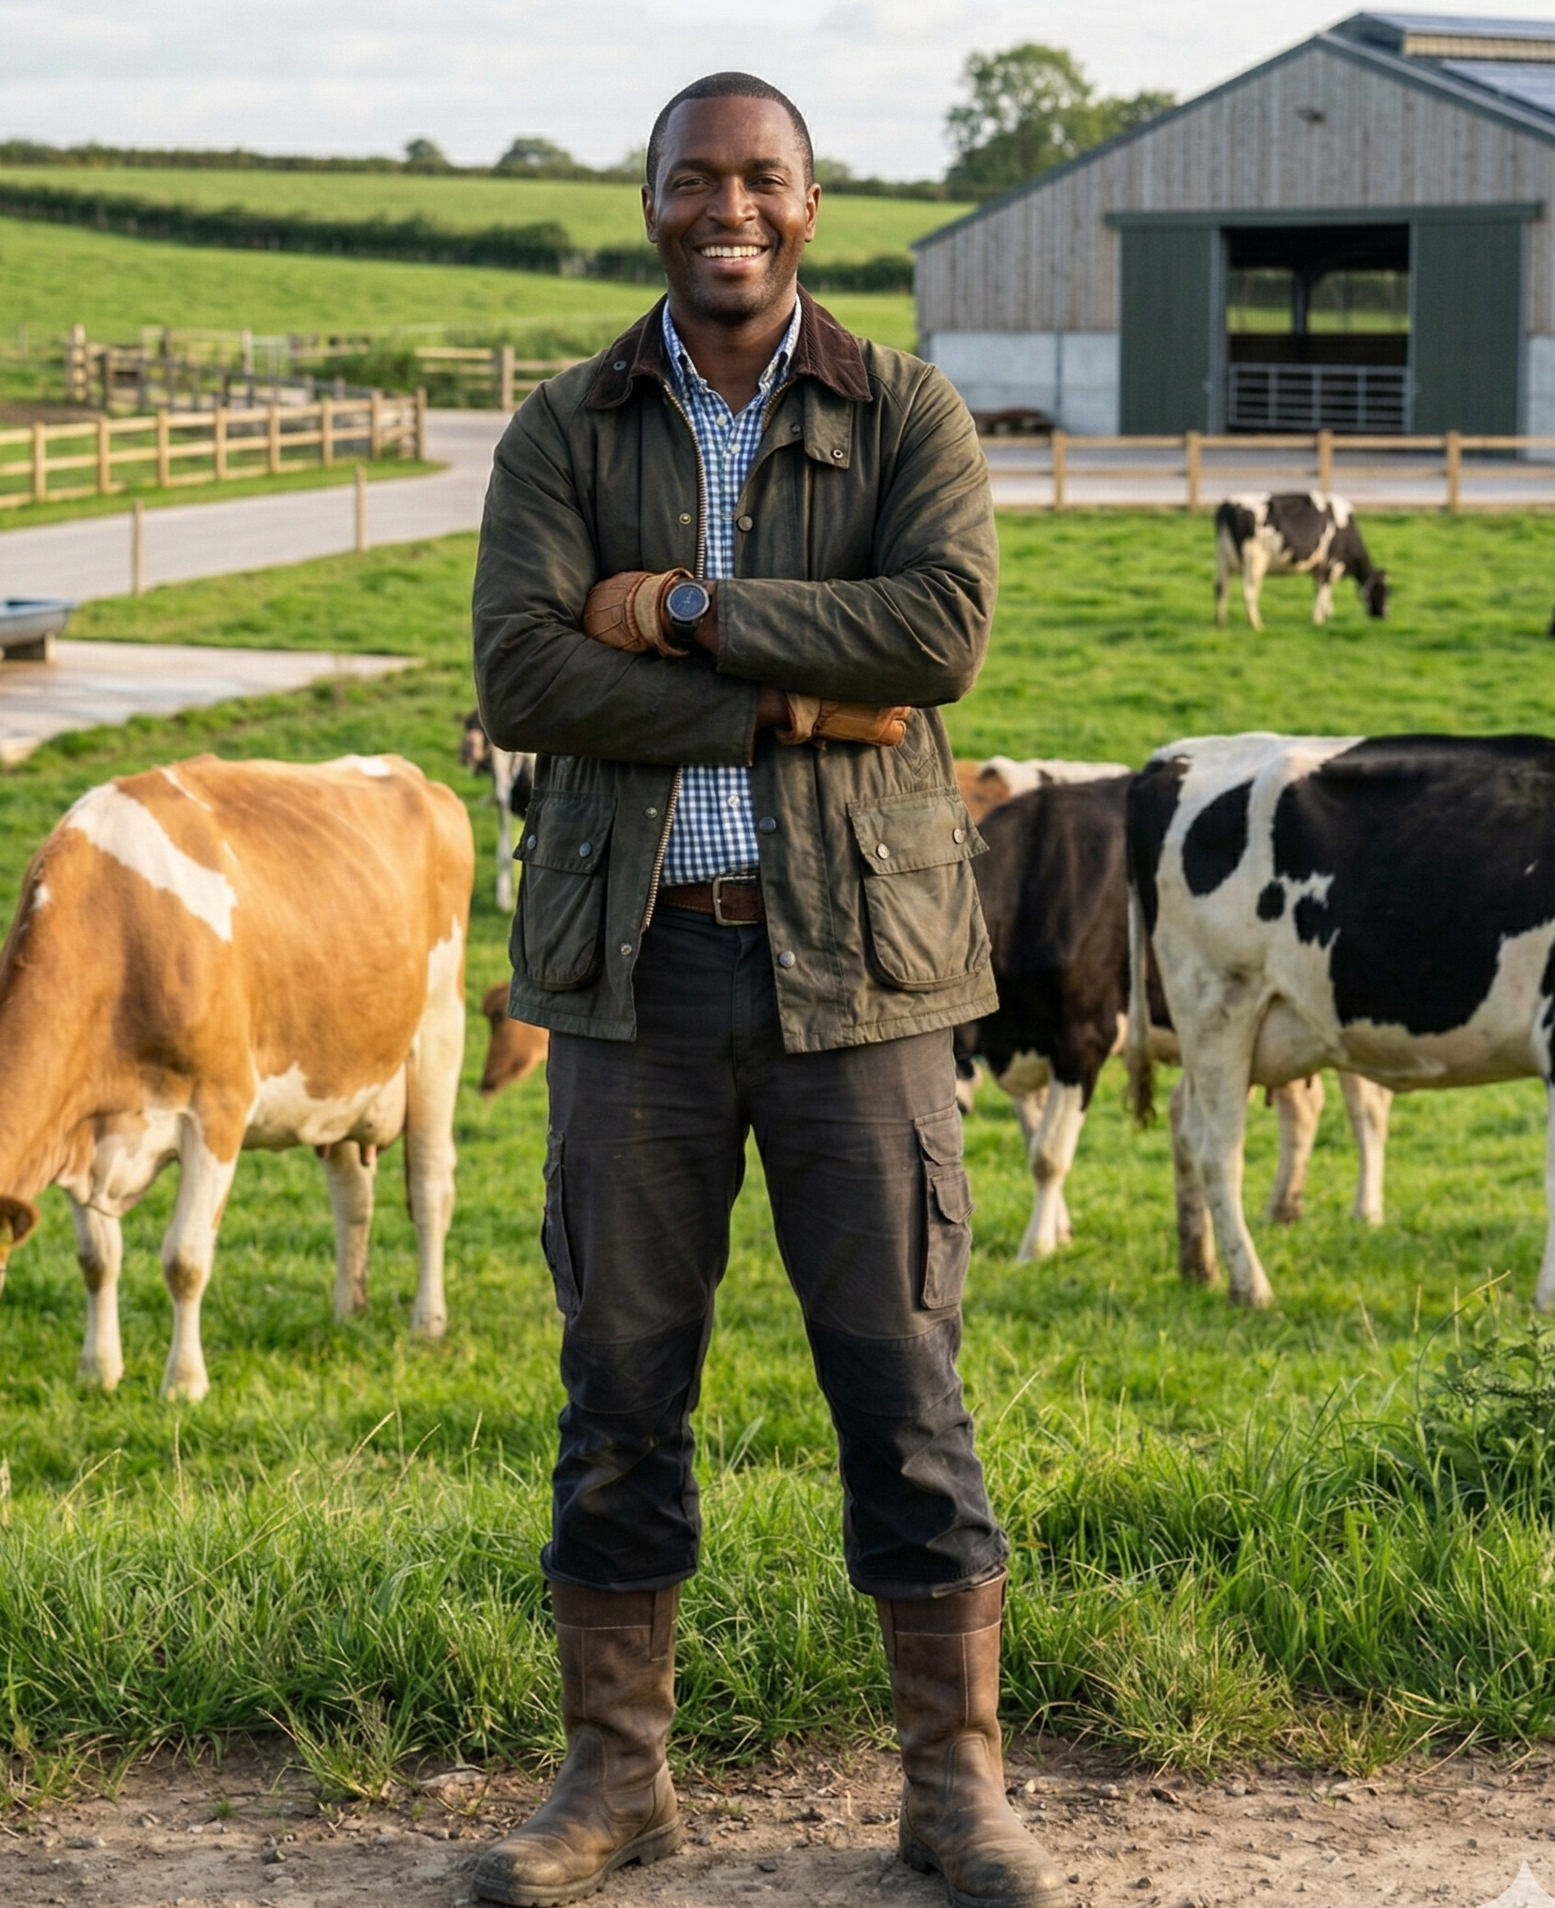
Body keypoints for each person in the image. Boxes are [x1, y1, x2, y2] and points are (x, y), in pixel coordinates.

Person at [471, 70, 1066, 1908]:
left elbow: (940, 633)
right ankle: (612, 1781)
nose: (727, 206)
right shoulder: (567, 427)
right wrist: (797, 694)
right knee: (619, 1381)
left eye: (763, 179)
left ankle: (951, 1789)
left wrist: (685, 607)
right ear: (647, 200)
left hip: (864, 979)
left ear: (811, 204)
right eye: (692, 179)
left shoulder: (905, 409)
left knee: (900, 1379)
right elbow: (524, 672)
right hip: (633, 973)